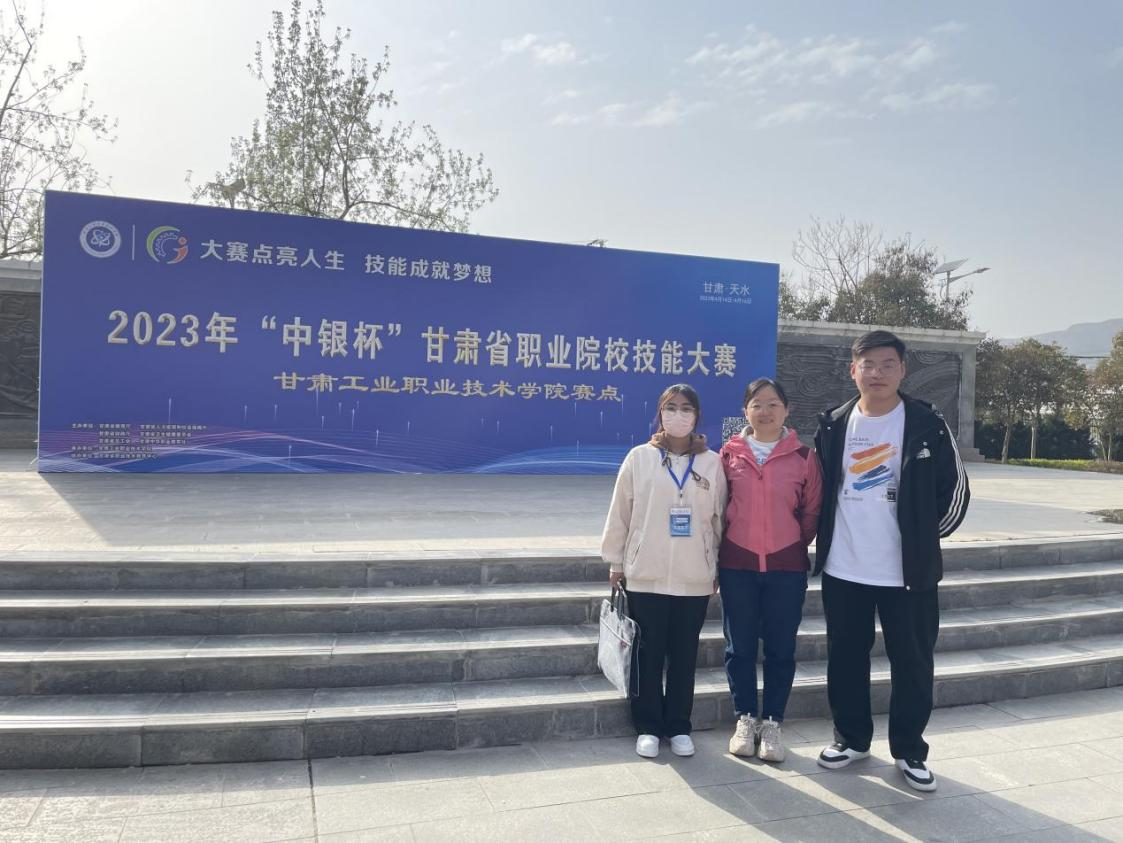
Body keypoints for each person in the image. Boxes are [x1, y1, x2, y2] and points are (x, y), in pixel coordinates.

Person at [813, 330, 970, 792]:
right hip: (844, 568)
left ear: (903, 370)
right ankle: (851, 739)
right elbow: (820, 490)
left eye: (887, 364)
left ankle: (909, 750)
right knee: (845, 658)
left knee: (913, 662)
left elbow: (956, 494)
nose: (876, 373)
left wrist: (922, 542)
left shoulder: (927, 423)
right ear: (853, 370)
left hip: (907, 573)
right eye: (868, 364)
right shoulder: (834, 423)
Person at [601, 383, 727, 759]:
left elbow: (719, 520)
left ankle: (679, 726)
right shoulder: (639, 458)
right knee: (648, 654)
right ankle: (648, 726)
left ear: (697, 416)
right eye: (671, 408)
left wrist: (716, 566)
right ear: (660, 414)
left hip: (694, 577)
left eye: (686, 408)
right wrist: (616, 561)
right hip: (646, 574)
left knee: (684, 656)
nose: (678, 415)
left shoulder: (712, 463)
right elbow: (621, 513)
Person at [718, 377, 822, 763]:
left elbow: (812, 510)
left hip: (786, 568)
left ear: (787, 410)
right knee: (739, 647)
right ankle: (746, 718)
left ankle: (773, 722)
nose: (765, 411)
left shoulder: (804, 457)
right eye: (757, 404)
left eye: (773, 404)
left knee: (781, 649)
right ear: (745, 411)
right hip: (737, 565)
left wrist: (792, 543)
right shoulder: (727, 455)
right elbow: (718, 508)